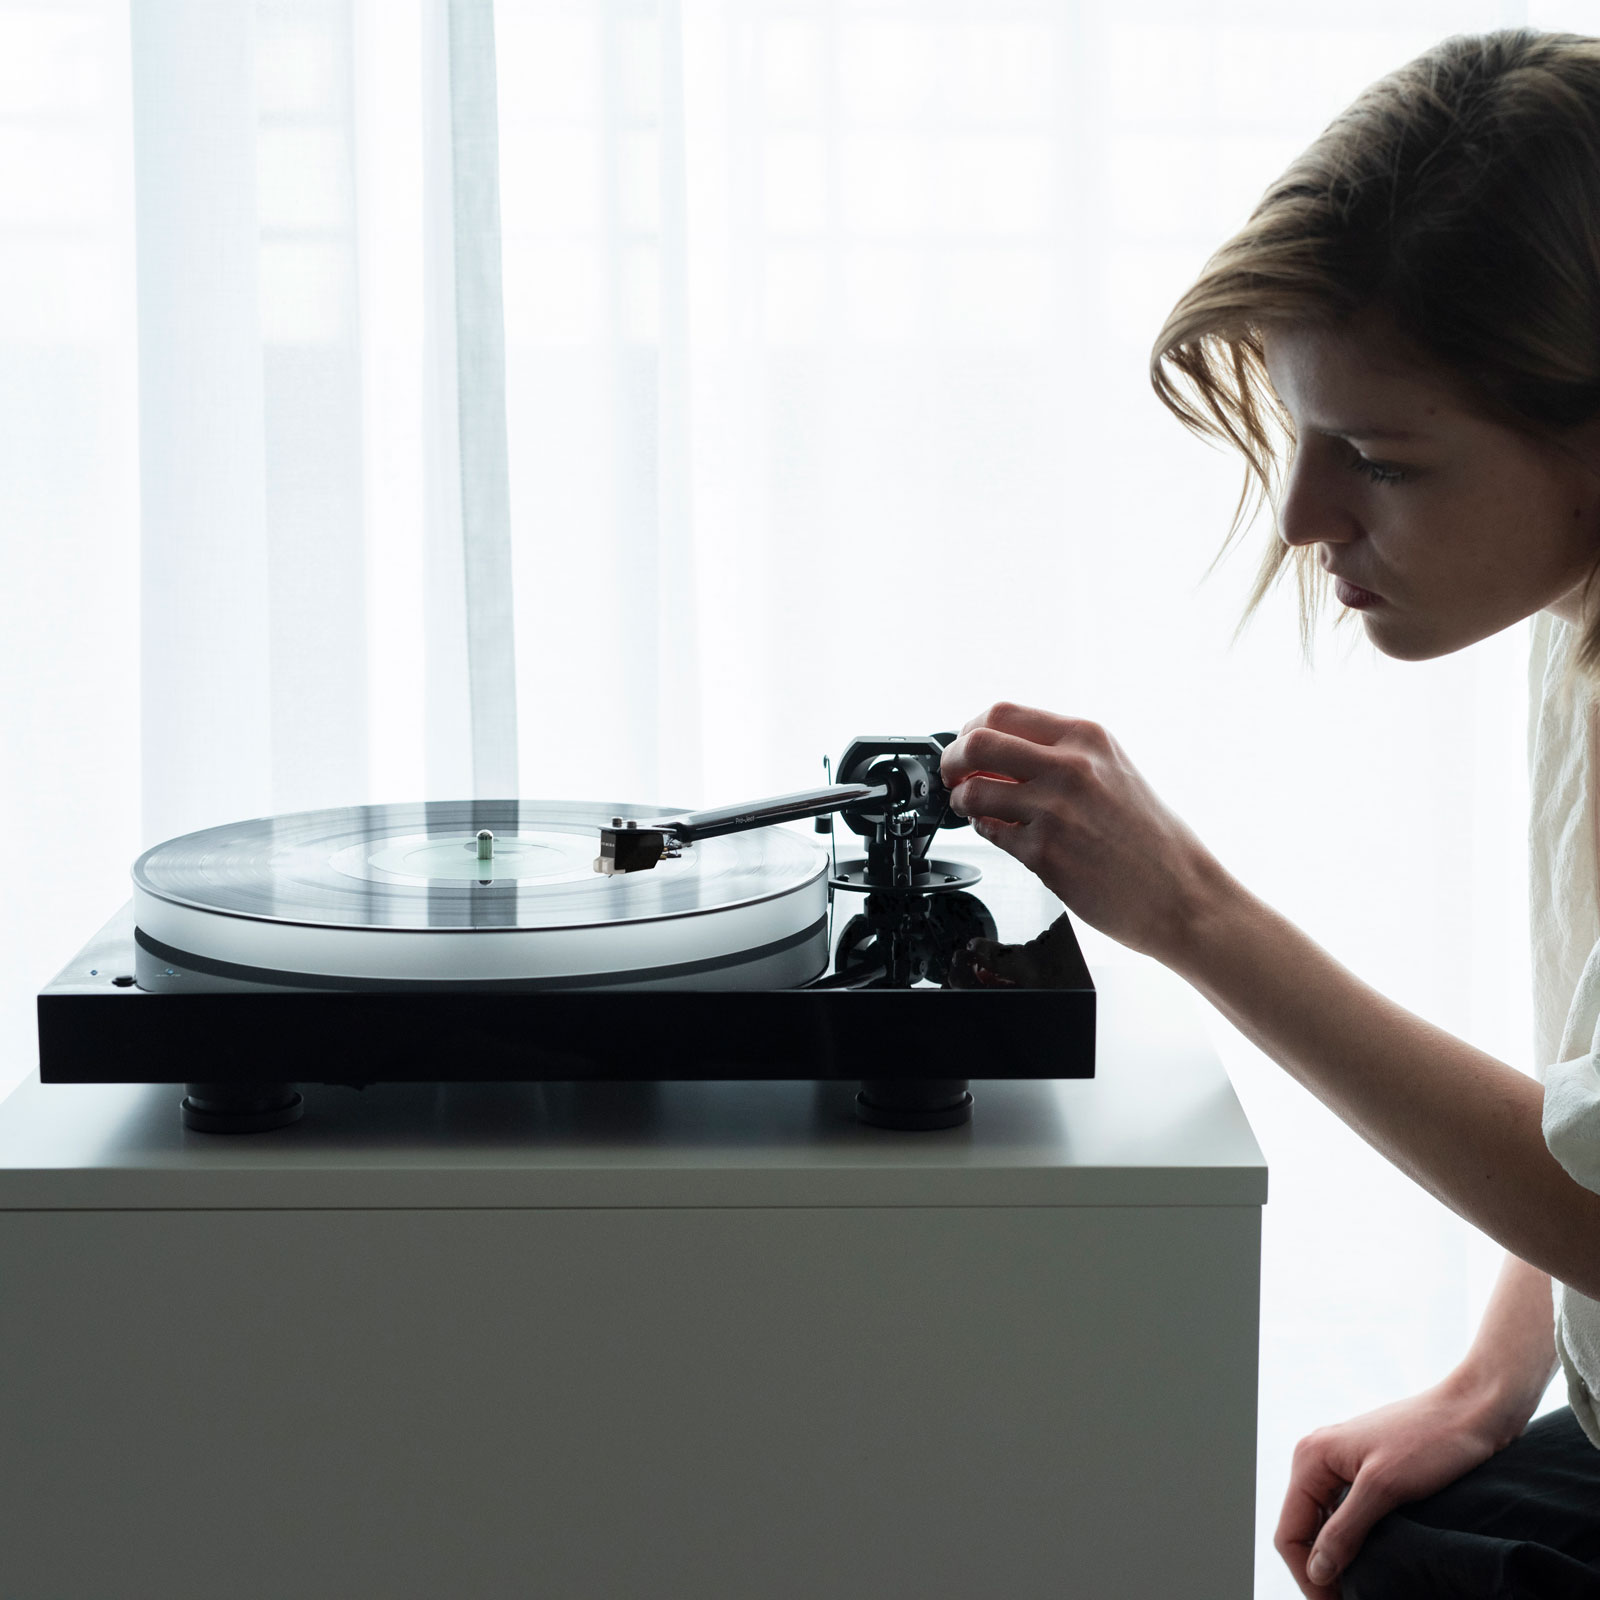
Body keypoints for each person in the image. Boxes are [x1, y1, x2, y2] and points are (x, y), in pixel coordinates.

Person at [940, 29, 1600, 1600]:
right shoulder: (1579, 619)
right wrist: (1490, 1380)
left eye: (1375, 458)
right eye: (1305, 437)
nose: (1306, 518)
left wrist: (1189, 911)